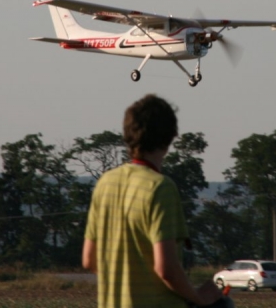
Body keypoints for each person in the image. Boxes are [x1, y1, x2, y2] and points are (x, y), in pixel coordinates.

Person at [82, 94, 229, 308]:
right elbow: (166, 269)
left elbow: (89, 259)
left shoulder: (105, 183)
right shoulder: (160, 187)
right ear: (170, 137)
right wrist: (199, 297)